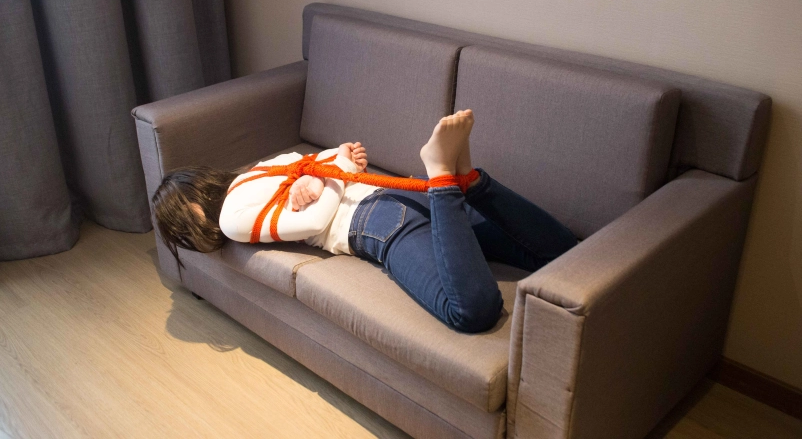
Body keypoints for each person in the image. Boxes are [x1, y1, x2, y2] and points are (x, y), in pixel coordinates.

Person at [152, 109, 579, 333]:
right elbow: (329, 159)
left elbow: (316, 219)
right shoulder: (260, 168)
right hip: (401, 193)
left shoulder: (232, 218)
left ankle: (442, 174)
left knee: (473, 311)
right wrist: (331, 170)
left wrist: (330, 174)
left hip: (377, 220)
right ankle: (465, 179)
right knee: (566, 258)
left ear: (190, 208)